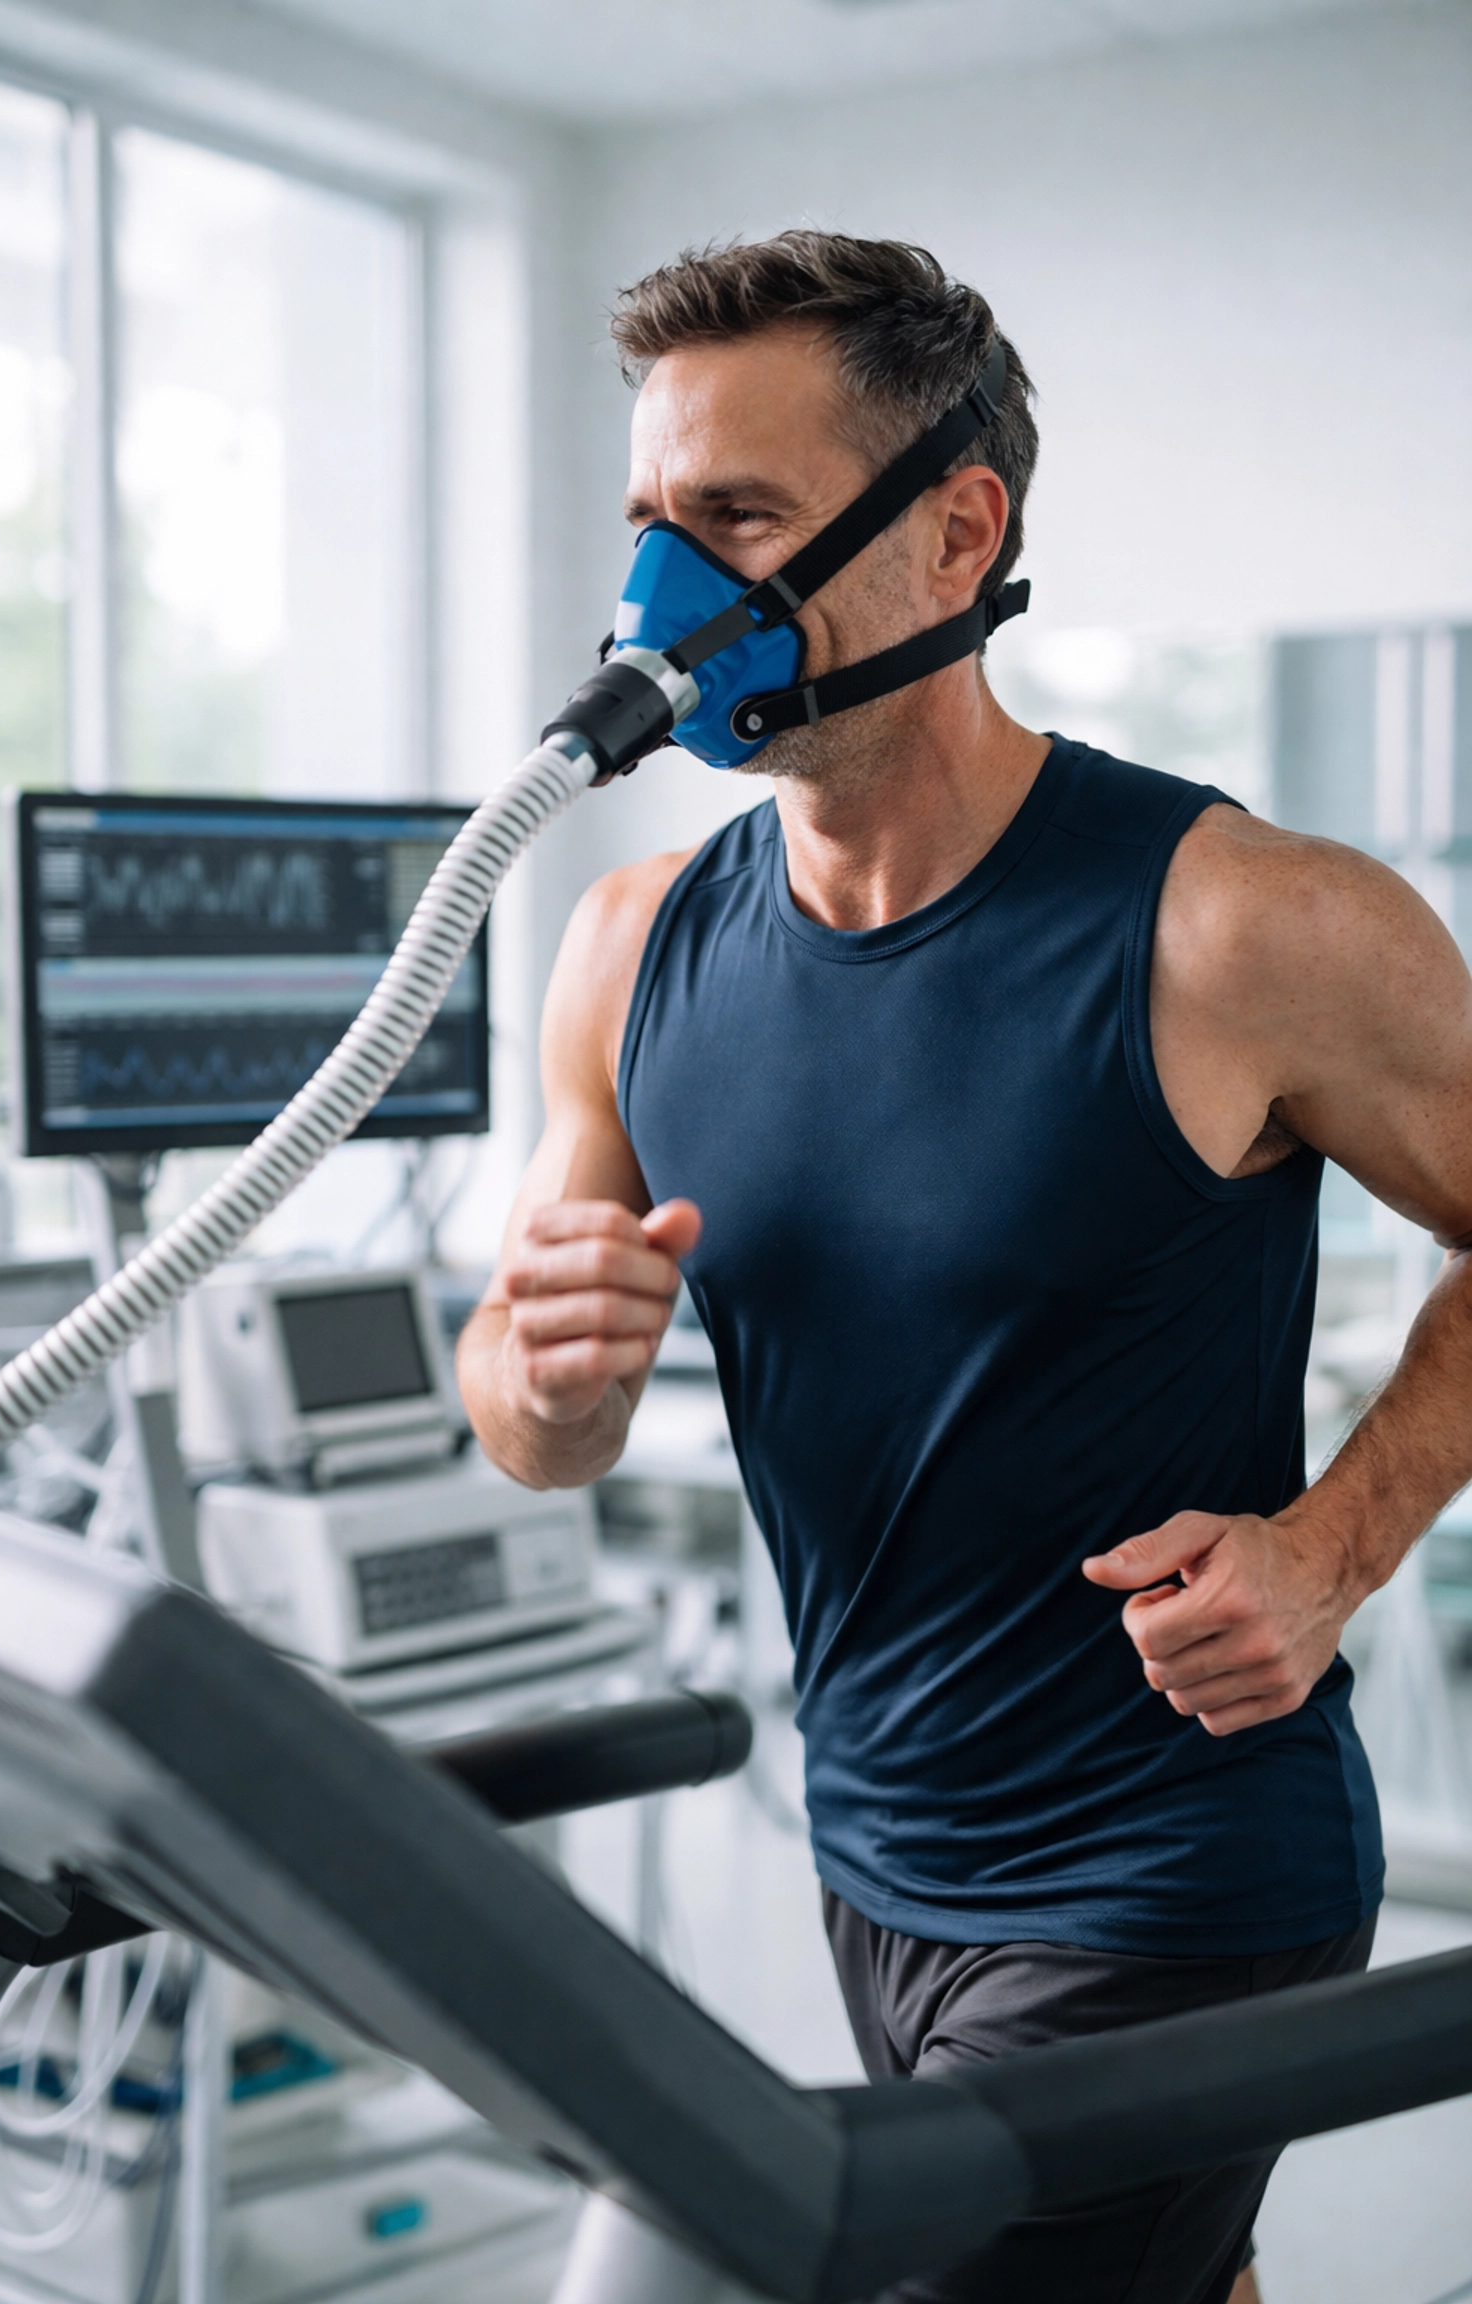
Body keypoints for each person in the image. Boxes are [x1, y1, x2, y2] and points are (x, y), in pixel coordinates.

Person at [457, 231, 1472, 2304]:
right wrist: (544, 1381)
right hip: (882, 1858)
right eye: (652, 520)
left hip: (1178, 1871)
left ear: (955, 533)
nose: (667, 588)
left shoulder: (1241, 924)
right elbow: (524, 1416)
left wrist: (1334, 1549)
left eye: (737, 518)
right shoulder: (633, 946)